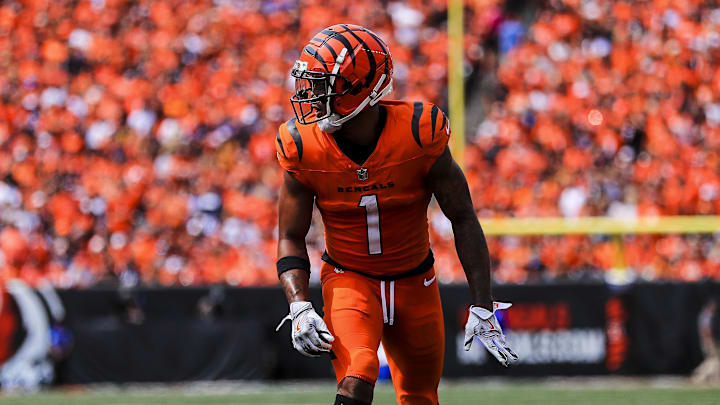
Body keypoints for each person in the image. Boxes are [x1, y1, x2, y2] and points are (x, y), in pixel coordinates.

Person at [274, 24, 517, 405]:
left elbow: (463, 216)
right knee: (358, 373)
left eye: (323, 86)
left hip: (415, 282)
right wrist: (299, 304)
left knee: (420, 396)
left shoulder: (419, 133)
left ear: (360, 88)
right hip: (348, 278)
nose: (310, 96)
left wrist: (482, 303)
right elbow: (290, 233)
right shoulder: (302, 145)